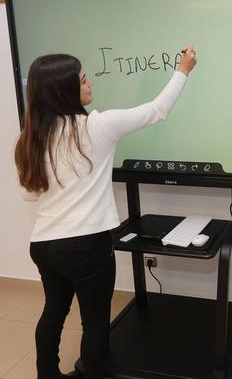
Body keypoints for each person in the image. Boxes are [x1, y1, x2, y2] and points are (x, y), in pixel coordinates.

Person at [14, 46, 197, 379]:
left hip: (44, 245)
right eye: (84, 80)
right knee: (95, 323)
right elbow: (157, 110)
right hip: (86, 245)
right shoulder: (97, 126)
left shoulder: (31, 138)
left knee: (53, 313)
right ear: (66, 90)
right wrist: (183, 70)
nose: (90, 84)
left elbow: (31, 194)